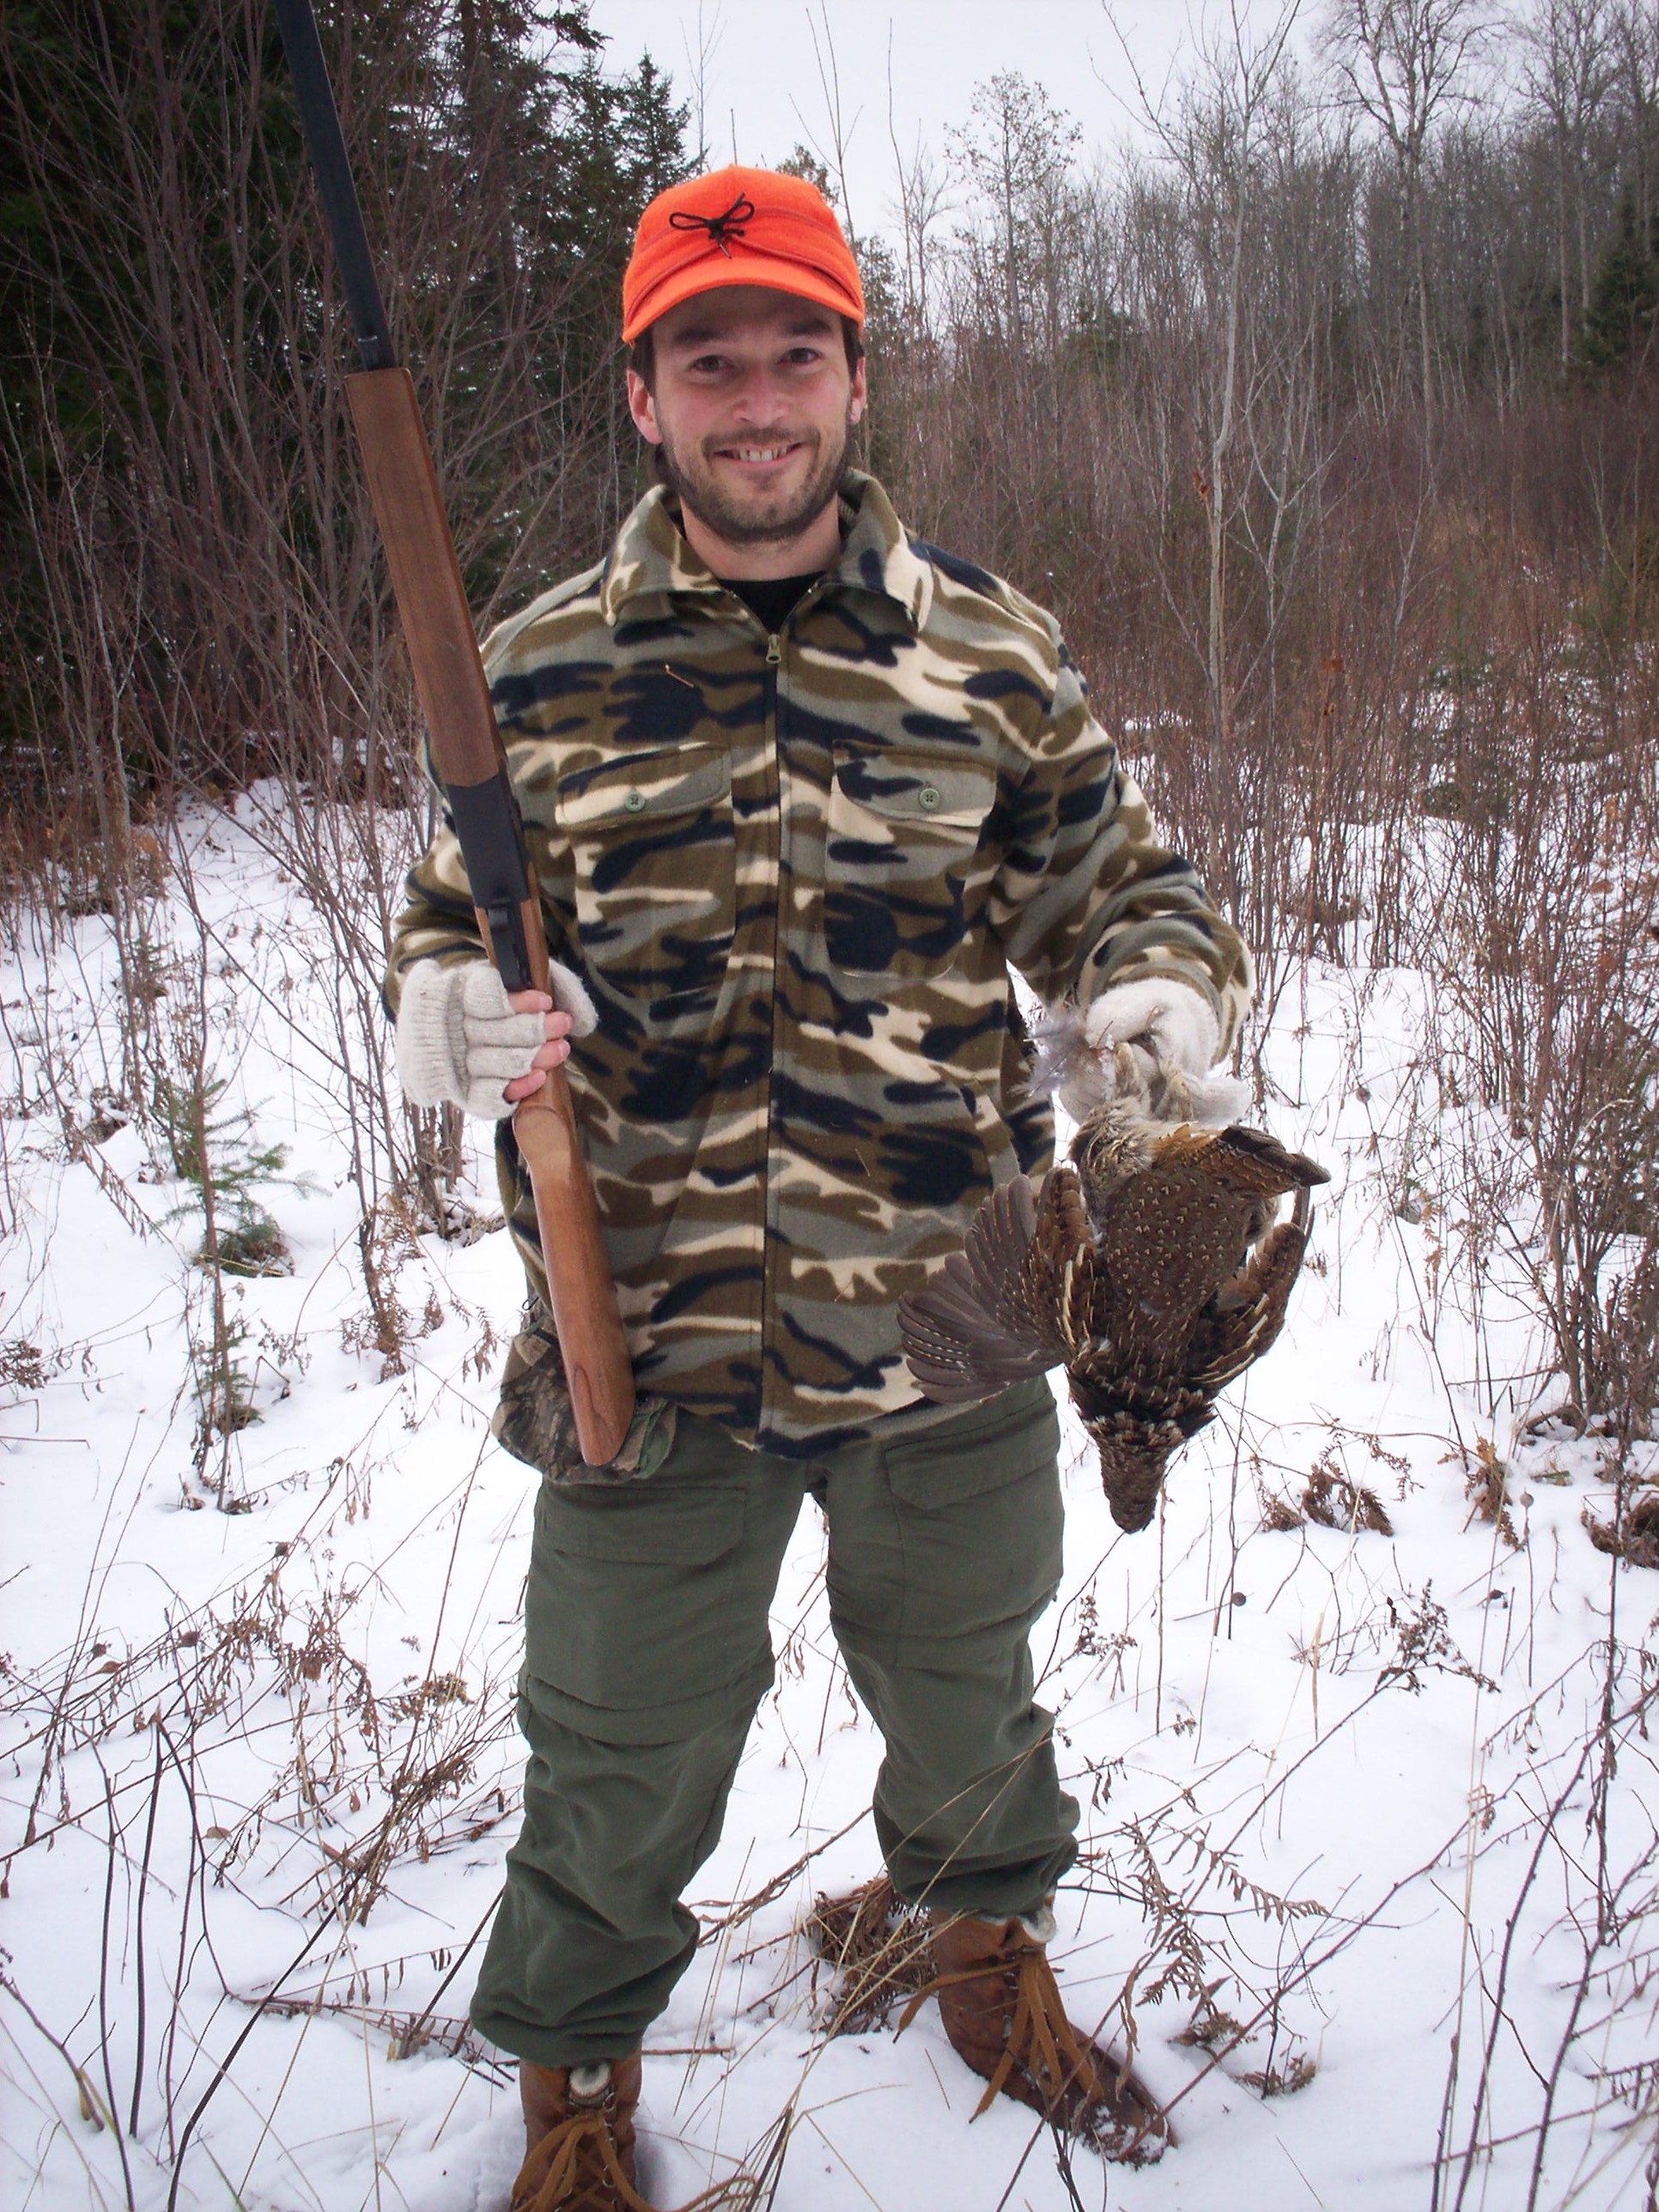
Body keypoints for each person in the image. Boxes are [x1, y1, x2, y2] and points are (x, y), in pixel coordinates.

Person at [387, 164, 1252, 2212]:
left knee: (970, 1695)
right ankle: (576, 2086)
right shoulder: (537, 667)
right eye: (711, 361)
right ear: (644, 396)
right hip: (642, 1326)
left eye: (797, 353)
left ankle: (982, 1956)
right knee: (616, 1740)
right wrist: (447, 1006)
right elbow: (454, 917)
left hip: (949, 1311)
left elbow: (1120, 882)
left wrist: (1152, 989)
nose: (757, 399)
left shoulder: (986, 649)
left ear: (857, 378)